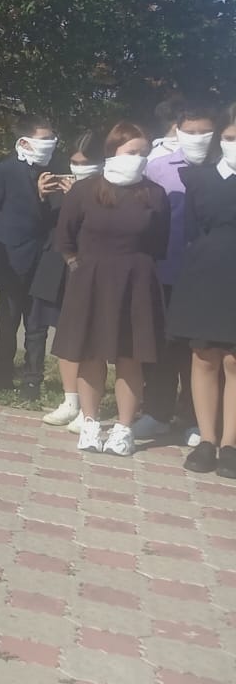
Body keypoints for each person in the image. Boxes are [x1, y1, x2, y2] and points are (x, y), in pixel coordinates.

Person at [53, 122, 170, 458]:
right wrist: (78, 267)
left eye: (144, 152)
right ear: (113, 151)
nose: (139, 157)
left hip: (136, 283)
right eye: (132, 151)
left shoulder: (155, 194)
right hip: (90, 281)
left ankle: (123, 428)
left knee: (129, 357)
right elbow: (64, 238)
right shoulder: (84, 190)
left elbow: (159, 242)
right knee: (90, 354)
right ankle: (90, 423)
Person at [138, 104, 218, 441]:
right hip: (167, 271)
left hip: (212, 277)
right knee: (162, 345)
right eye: (190, 132)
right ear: (178, 131)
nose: (197, 138)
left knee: (202, 350)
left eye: (205, 132)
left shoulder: (225, 167)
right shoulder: (158, 168)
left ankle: (193, 418)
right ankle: (156, 412)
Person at [167, 111, 236, 477]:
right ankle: (207, 440)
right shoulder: (197, 178)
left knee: (234, 361)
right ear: (219, 140)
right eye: (230, 138)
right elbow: (192, 231)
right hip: (206, 274)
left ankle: (230, 444)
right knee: (205, 356)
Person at [0, 116, 62, 399]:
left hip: (44, 258)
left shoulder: (55, 171)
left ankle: (32, 381)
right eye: (44, 139)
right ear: (25, 142)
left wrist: (46, 197)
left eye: (52, 139)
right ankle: (2, 377)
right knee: (8, 319)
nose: (51, 143)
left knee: (37, 323)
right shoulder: (4, 170)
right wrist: (7, 235)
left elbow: (60, 215)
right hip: (11, 258)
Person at [29, 132, 103, 430]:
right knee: (63, 333)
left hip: (88, 268)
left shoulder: (107, 189)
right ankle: (70, 399)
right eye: (74, 162)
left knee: (88, 337)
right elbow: (41, 224)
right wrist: (40, 196)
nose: (78, 168)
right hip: (57, 265)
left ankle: (89, 405)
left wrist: (78, 198)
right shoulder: (61, 187)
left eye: (85, 163)